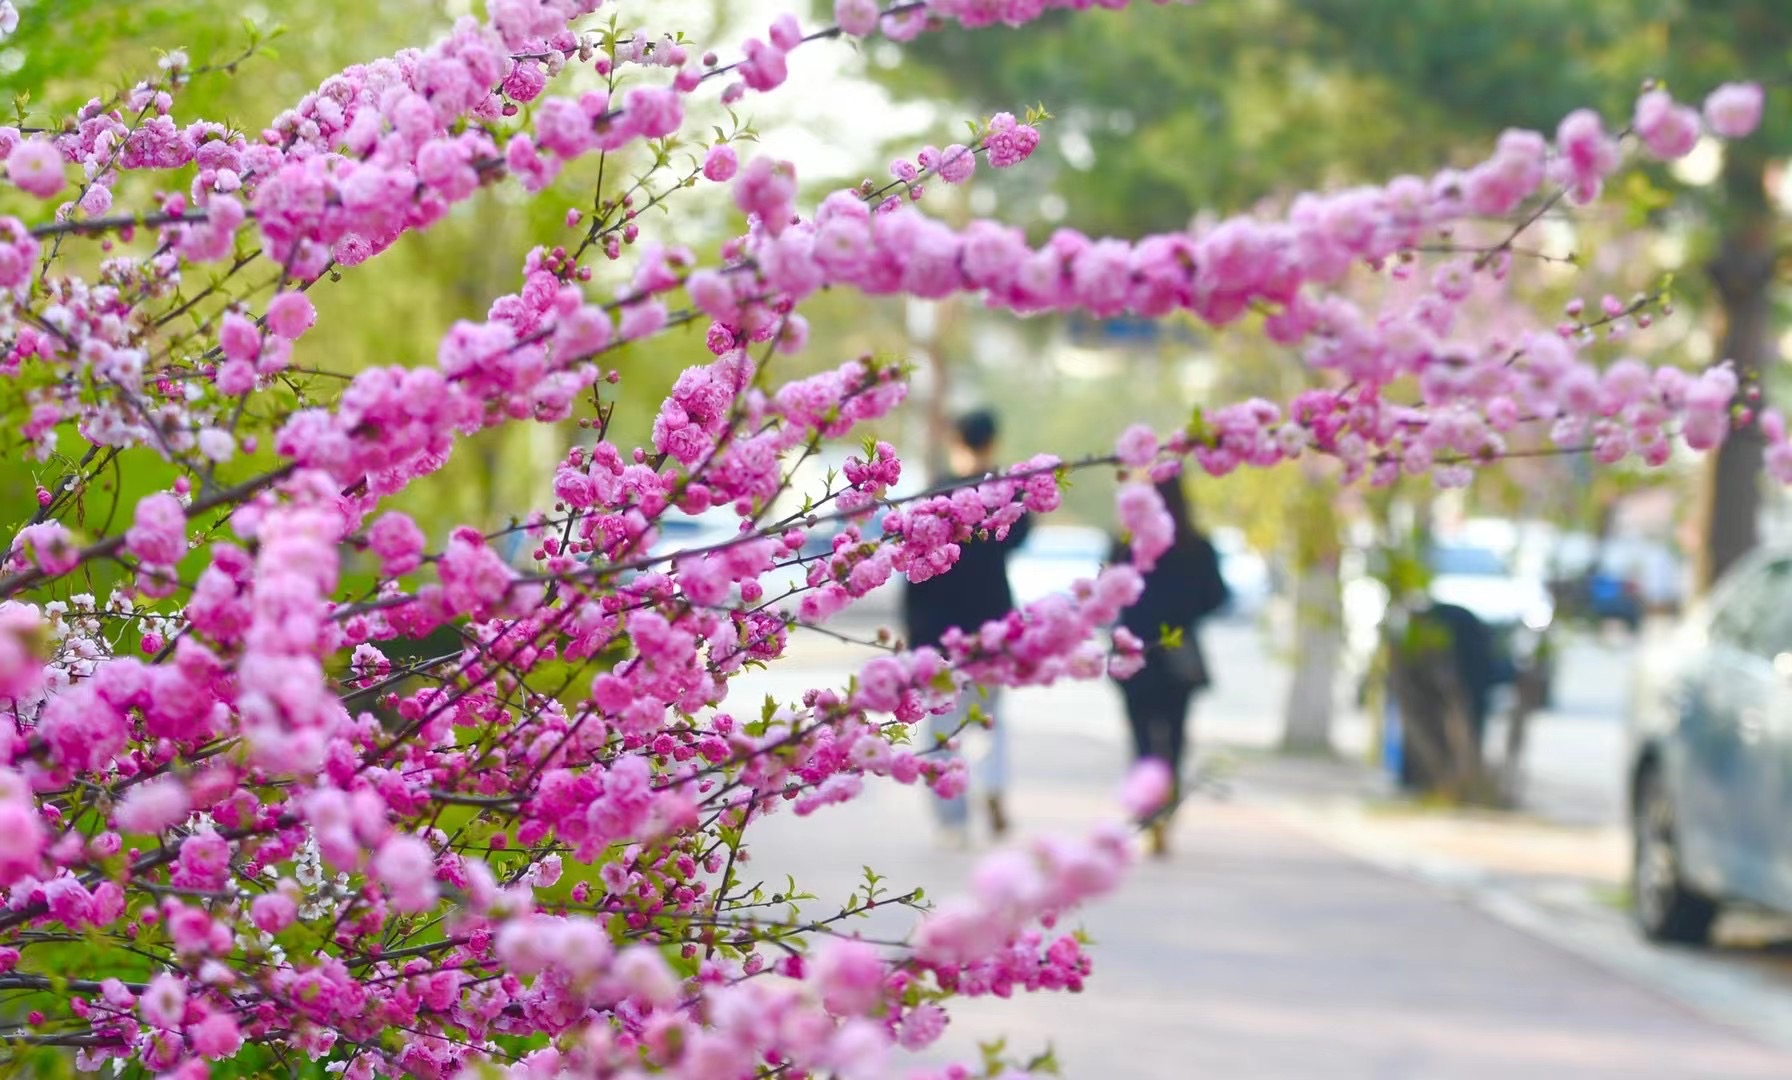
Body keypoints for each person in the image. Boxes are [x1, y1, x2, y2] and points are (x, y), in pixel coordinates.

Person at [903, 408, 1031, 845]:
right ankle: (993, 785)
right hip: (991, 626)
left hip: (937, 632)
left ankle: (952, 822)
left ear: (954, 439)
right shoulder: (1007, 496)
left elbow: (912, 574)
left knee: (942, 730)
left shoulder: (932, 497)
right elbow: (1020, 535)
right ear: (993, 442)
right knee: (990, 718)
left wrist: (912, 639)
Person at [1109, 476, 1228, 857]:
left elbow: (1108, 596)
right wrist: (1183, 615)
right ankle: (1165, 815)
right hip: (1179, 654)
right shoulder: (1197, 546)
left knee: (1143, 739)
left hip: (1136, 653)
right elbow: (1217, 597)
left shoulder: (1127, 545)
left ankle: (1149, 809)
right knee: (1174, 740)